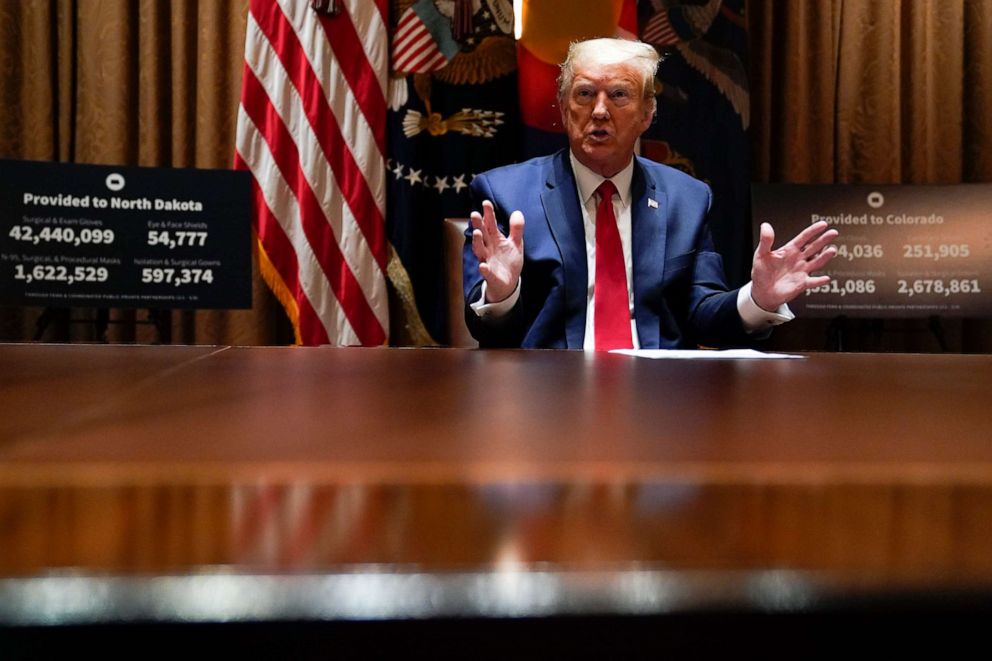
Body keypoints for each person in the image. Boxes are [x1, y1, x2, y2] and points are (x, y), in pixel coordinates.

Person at [463, 37, 837, 350]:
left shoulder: (687, 199)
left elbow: (702, 315)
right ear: (563, 108)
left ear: (646, 114)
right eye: (584, 94)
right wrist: (502, 294)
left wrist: (758, 301)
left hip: (660, 397)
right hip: (548, 397)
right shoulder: (504, 195)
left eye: (619, 95)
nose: (599, 111)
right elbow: (489, 333)